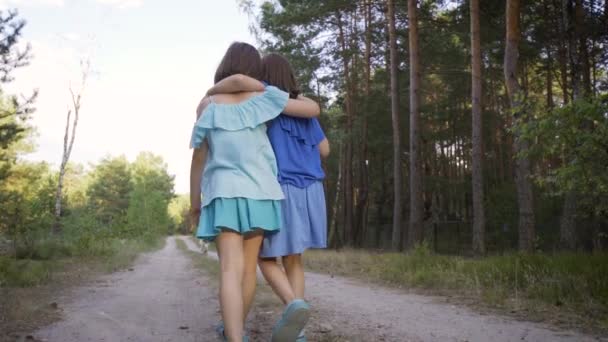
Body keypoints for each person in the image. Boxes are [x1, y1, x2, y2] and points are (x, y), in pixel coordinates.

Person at [189, 42, 320, 342]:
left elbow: (199, 157)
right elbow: (311, 109)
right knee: (249, 269)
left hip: (223, 192)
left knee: (229, 271)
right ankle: (239, 329)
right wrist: (257, 84)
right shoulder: (266, 97)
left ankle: (235, 337)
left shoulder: (207, 105)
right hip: (261, 191)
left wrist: (195, 203)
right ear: (255, 71)